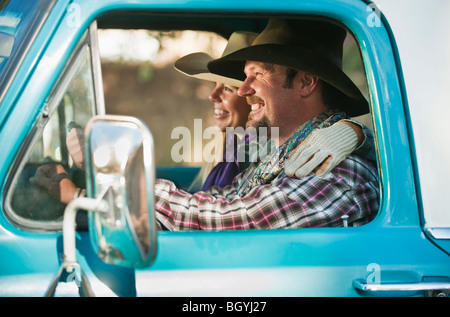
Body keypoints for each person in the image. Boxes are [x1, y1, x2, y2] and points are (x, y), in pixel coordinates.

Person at [31, 19, 379, 232]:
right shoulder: (276, 158)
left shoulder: (338, 173)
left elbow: (229, 220)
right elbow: (212, 199)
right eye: (241, 79)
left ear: (305, 83)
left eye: (256, 75)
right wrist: (88, 194)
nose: (243, 91)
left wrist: (114, 169)